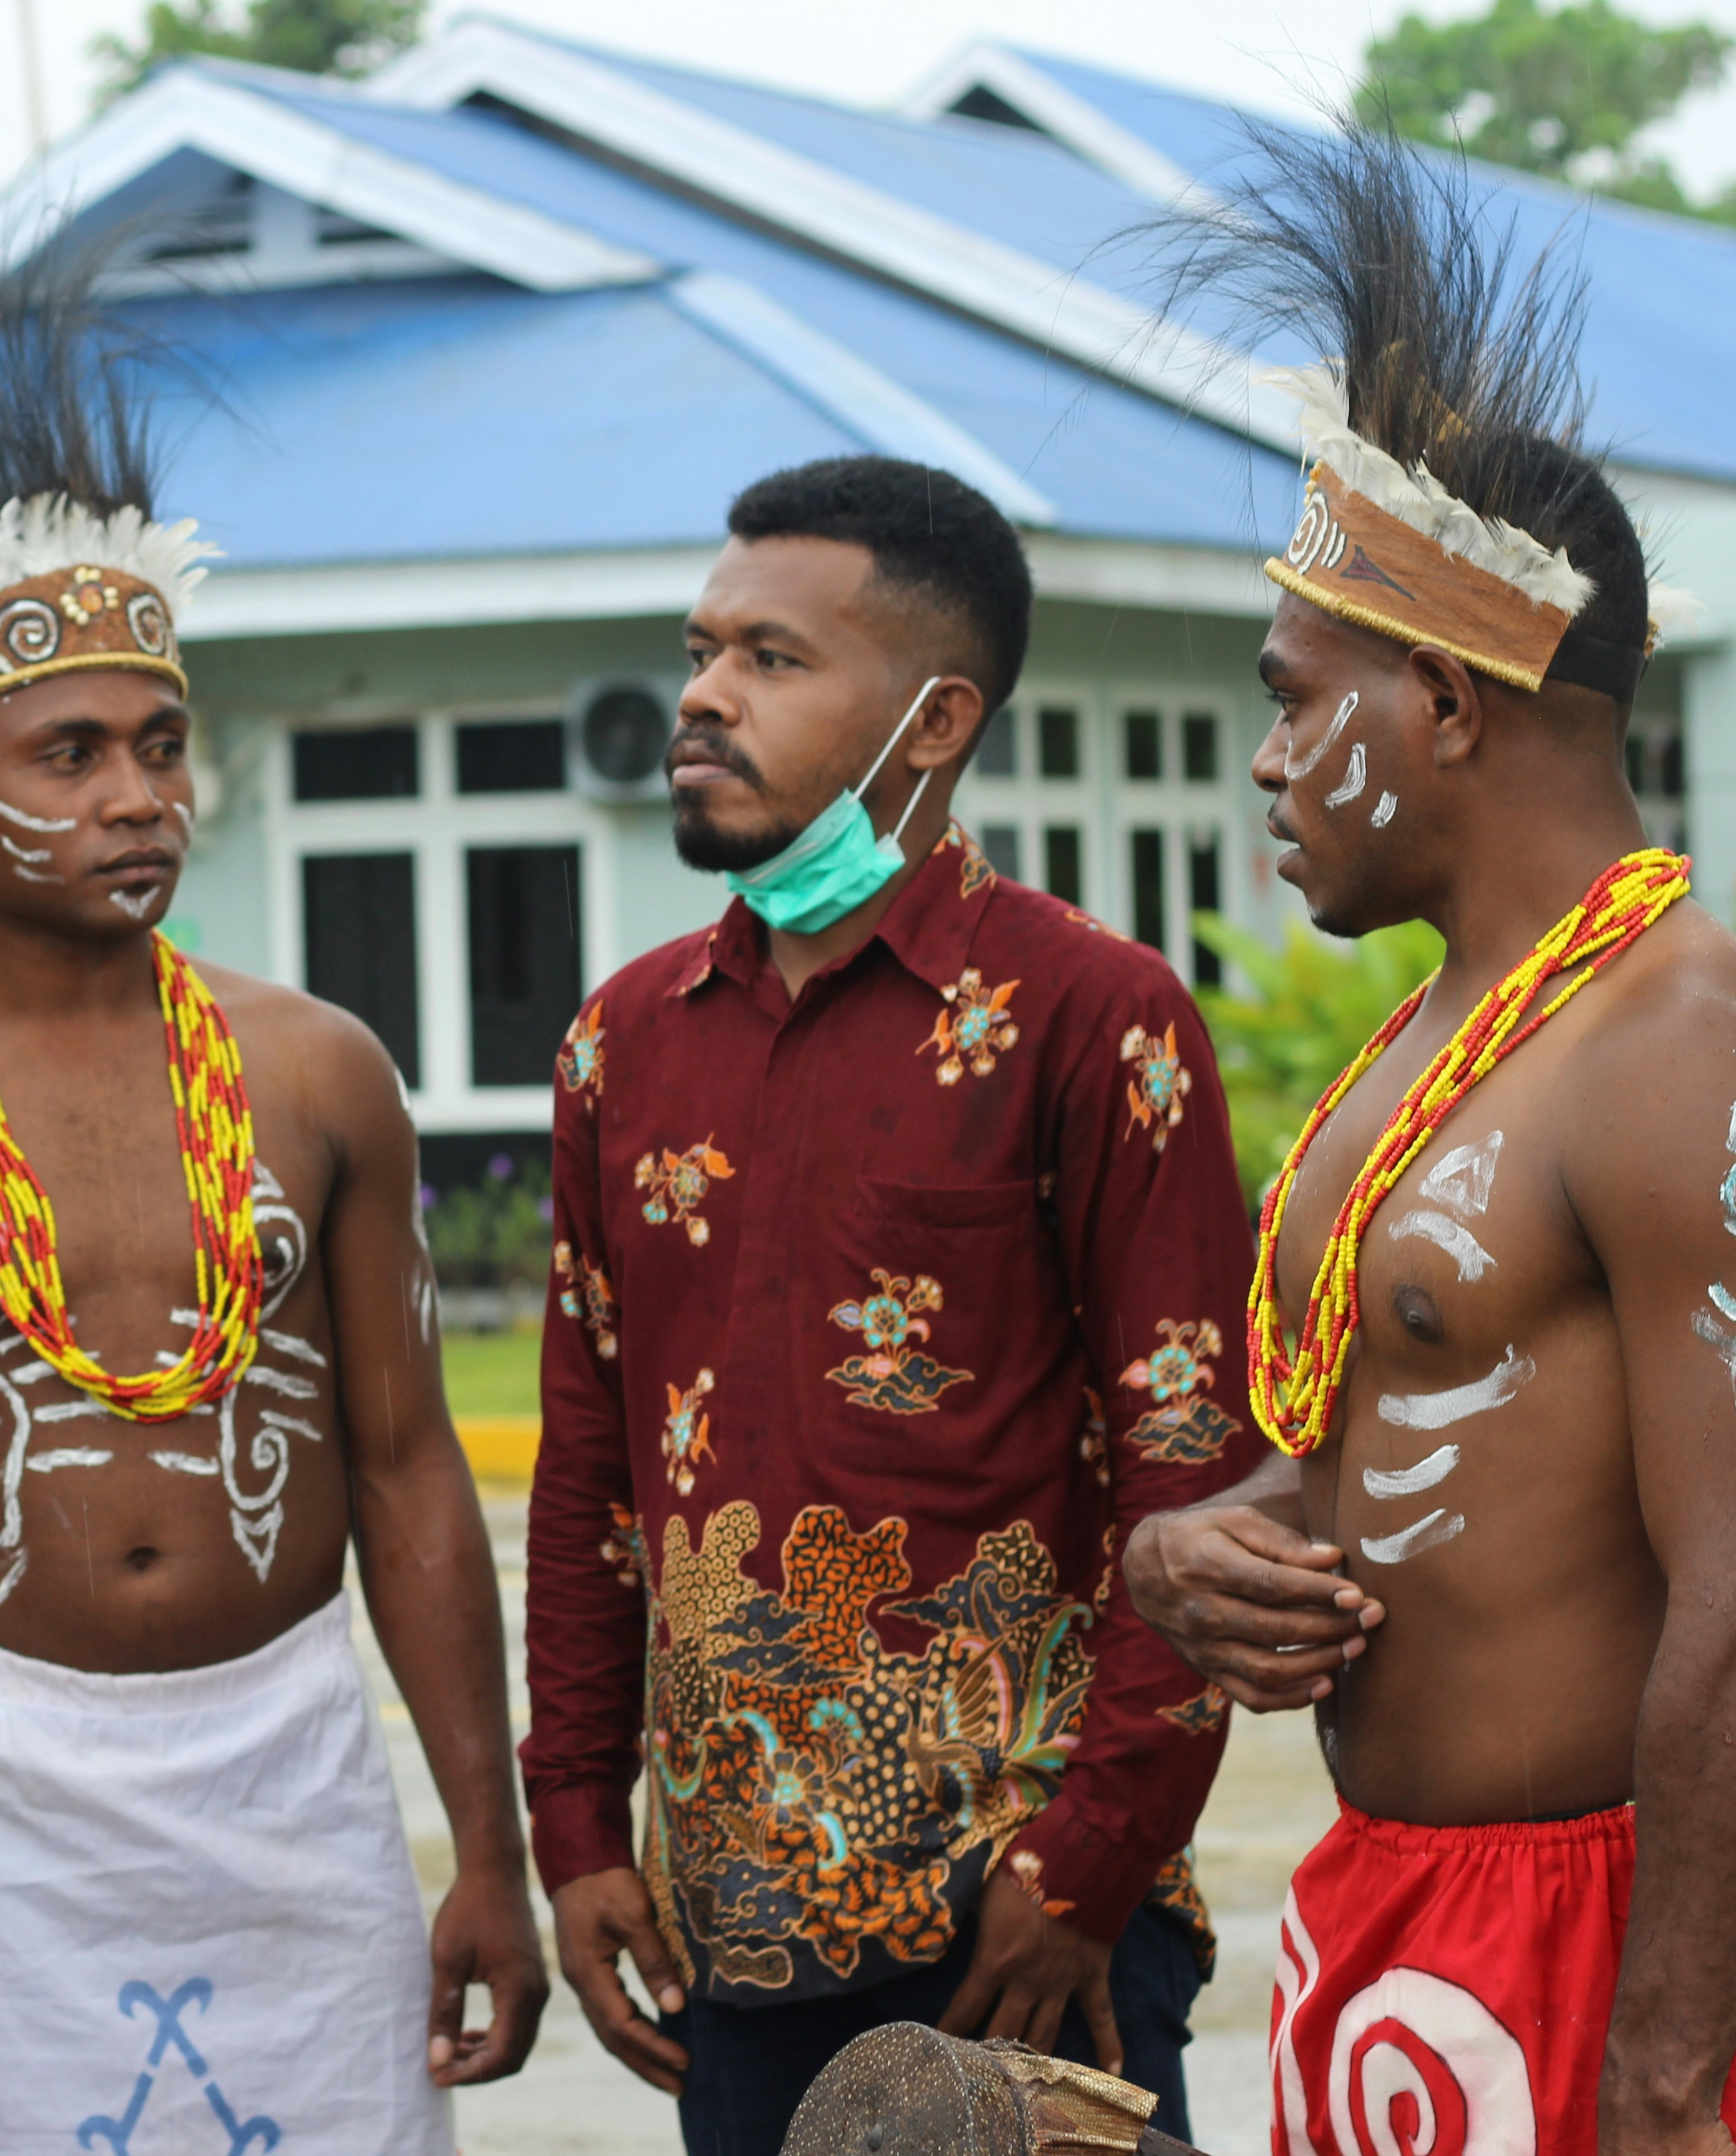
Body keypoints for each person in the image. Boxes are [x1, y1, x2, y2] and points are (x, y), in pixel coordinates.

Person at [0, 284, 548, 2156]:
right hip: (1, 1796)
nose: (138, 800)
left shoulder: (322, 1072)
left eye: (161, 745)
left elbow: (415, 1474)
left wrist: (482, 1851)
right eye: (70, 758)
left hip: (294, 1775)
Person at [1118, 125, 1736, 2156]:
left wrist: (1662, 2066)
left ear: (1451, 702)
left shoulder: (1678, 1038)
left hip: (1608, 1952)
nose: (1278, 764)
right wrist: (1198, 1550)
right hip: (1394, 1927)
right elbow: (1403, 1426)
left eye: (1303, 702)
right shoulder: (1428, 1050)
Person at [521, 455, 1258, 2156]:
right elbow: (587, 1480)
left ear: (932, 724)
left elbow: (1193, 1482)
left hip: (1028, 1929)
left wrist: (1089, 1863)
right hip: (730, 1938)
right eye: (703, 649)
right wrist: (575, 1824)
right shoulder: (624, 1043)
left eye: (771, 660)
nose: (702, 695)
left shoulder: (1096, 1018)